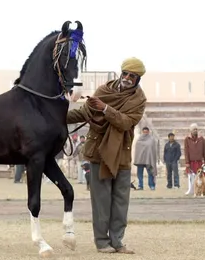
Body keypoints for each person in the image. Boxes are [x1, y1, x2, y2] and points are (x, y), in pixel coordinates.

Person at [66, 57, 147, 254]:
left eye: (132, 76)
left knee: (120, 202)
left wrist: (105, 108)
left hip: (122, 155)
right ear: (121, 73)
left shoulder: (138, 100)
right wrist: (55, 113)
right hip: (98, 153)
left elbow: (126, 122)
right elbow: (84, 113)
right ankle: (102, 242)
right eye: (125, 73)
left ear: (138, 79)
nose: (127, 78)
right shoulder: (103, 91)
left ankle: (117, 242)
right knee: (101, 201)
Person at [184, 123, 205, 195]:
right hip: (191, 162)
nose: (195, 131)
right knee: (190, 176)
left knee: (201, 176)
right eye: (194, 129)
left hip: (199, 161)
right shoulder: (187, 139)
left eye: (196, 129)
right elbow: (186, 151)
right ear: (191, 131)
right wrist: (187, 162)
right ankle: (191, 190)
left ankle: (202, 191)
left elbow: (204, 150)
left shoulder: (201, 139)